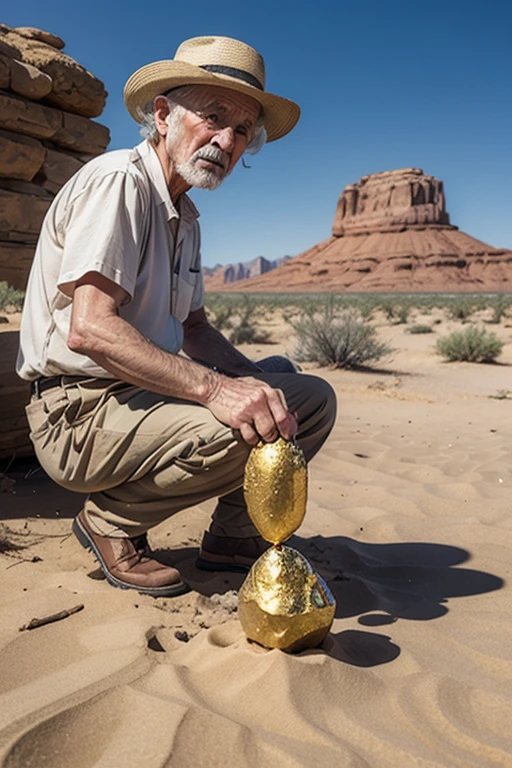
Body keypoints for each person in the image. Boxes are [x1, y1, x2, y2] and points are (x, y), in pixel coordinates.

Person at [16, 36, 337, 597]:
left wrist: (255, 382)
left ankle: (232, 538)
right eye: (214, 117)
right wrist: (219, 392)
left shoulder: (184, 216)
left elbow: (195, 331)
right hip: (79, 414)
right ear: (162, 114)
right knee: (280, 404)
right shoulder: (120, 183)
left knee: (284, 387)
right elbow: (90, 328)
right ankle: (110, 523)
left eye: (241, 131)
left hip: (133, 397)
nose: (227, 141)